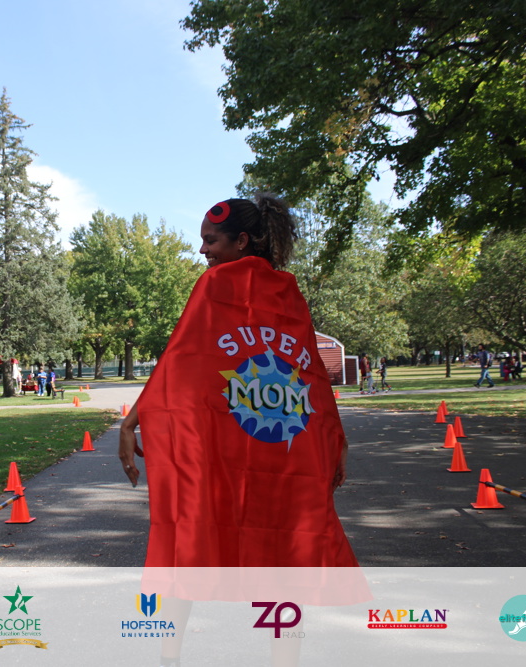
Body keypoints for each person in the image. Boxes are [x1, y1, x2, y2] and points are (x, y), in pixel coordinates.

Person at [119, 195, 359, 667]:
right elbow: (310, 375)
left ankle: (170, 659)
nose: (203, 251)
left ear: (242, 240)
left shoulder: (216, 286)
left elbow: (181, 361)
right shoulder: (289, 294)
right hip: (284, 447)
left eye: (211, 240)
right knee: (283, 552)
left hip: (232, 445)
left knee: (190, 540)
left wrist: (133, 419)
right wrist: (335, 437)